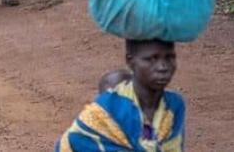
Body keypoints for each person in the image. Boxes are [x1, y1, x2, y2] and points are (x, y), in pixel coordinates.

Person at [56, 39, 184, 151]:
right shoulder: (104, 111)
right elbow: (72, 143)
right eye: (151, 59)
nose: (162, 67)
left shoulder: (174, 106)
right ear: (130, 61)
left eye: (169, 57)